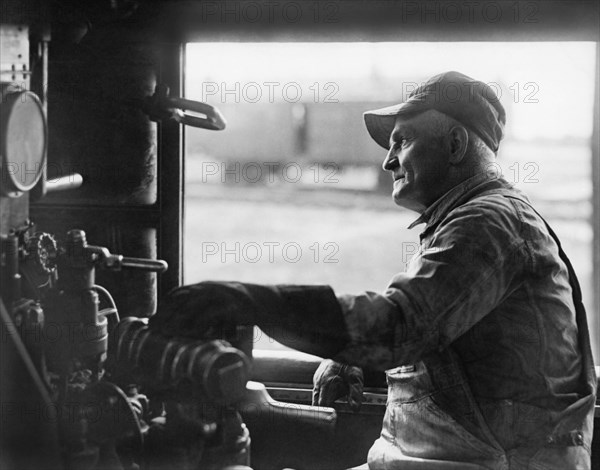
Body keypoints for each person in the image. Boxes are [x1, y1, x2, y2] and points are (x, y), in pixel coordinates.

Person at [149, 71, 596, 469]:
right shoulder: (470, 219)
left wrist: (248, 300)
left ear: (456, 144)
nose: (388, 160)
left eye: (401, 141)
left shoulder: (488, 224)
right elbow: (447, 344)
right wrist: (363, 365)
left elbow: (397, 328)